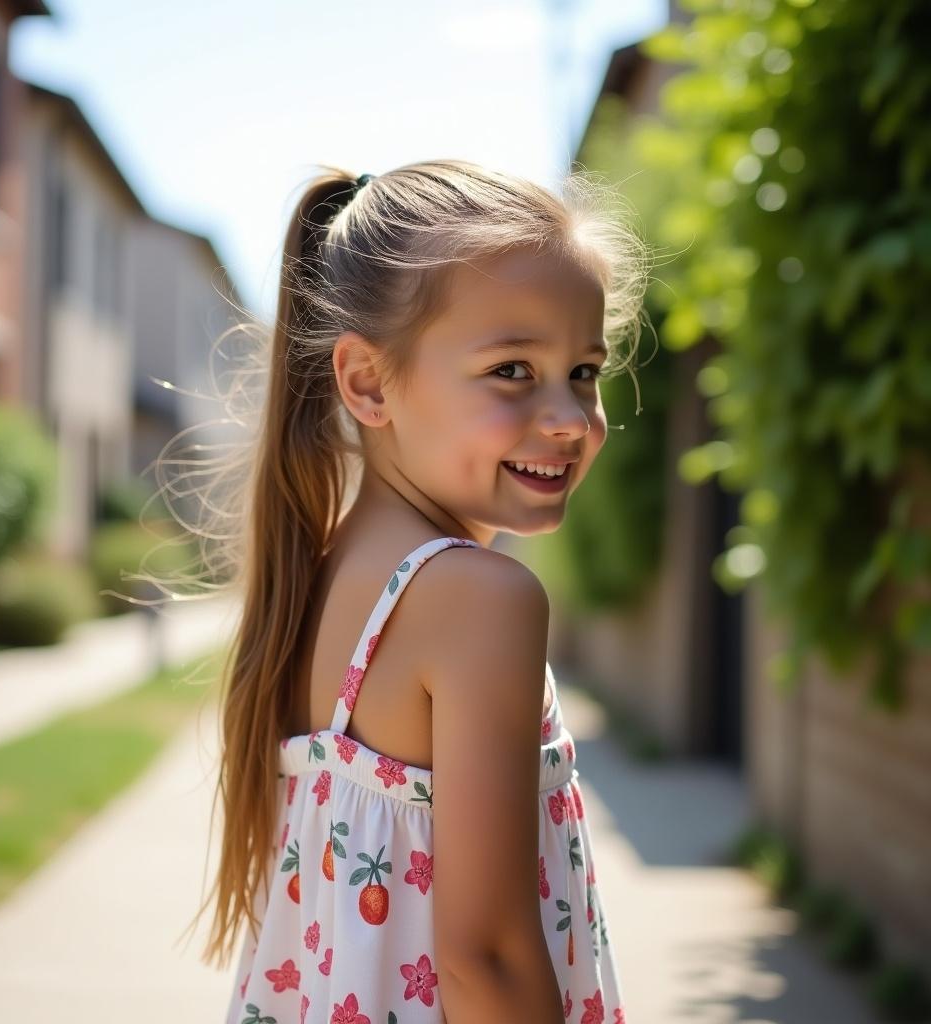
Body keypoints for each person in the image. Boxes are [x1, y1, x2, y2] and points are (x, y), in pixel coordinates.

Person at [184, 159, 649, 1024]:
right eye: (513, 369)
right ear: (367, 382)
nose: (568, 417)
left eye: (584, 371)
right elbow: (488, 958)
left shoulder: (320, 576)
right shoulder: (479, 599)